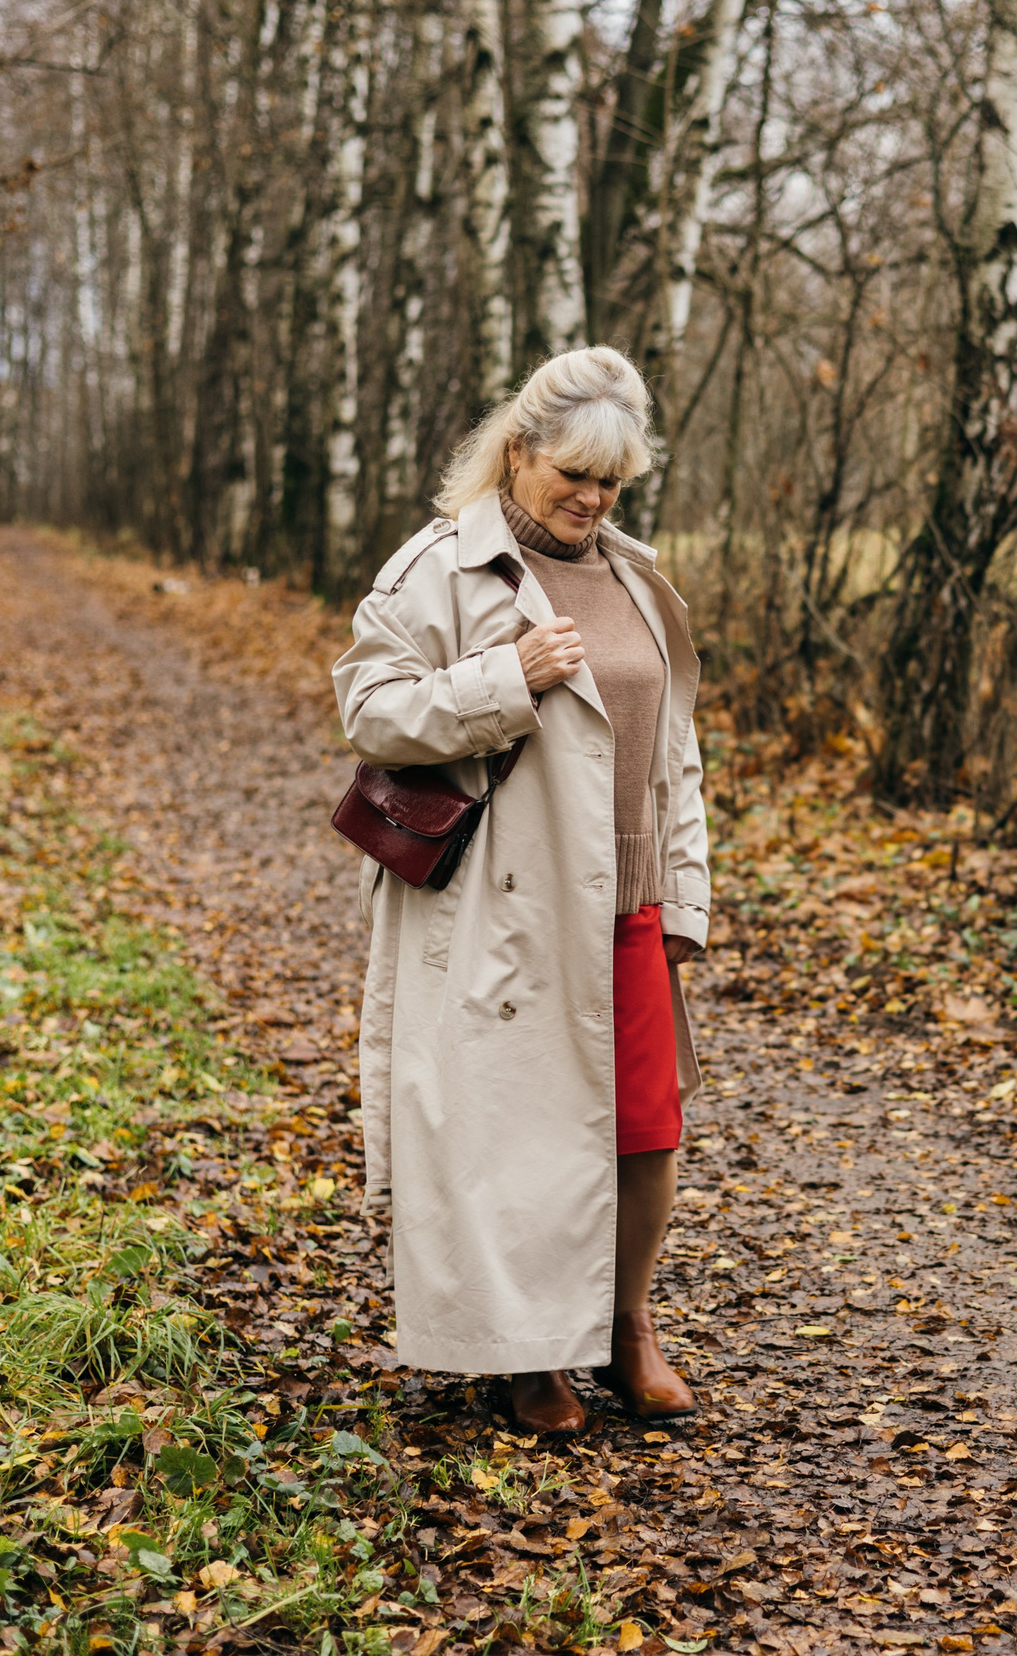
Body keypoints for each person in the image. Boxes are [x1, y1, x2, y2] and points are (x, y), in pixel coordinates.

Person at [333, 345, 709, 1435]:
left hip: (626, 900)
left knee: (646, 1129)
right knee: (514, 1131)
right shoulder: (439, 567)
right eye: (573, 475)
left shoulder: (634, 577)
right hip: (507, 901)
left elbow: (675, 751)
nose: (591, 499)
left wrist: (684, 896)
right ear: (519, 454)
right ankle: (526, 1349)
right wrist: (509, 677)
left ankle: (627, 1325)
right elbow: (370, 710)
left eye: (612, 482)